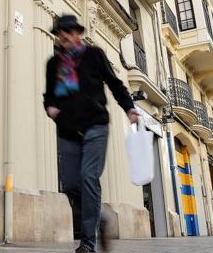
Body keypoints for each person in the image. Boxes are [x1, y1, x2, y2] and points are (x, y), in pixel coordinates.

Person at [43, 15, 140, 253]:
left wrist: (129, 107)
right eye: (59, 32)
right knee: (72, 185)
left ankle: (88, 243)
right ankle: (102, 218)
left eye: (67, 31)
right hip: (67, 130)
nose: (63, 35)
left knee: (88, 177)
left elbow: (115, 83)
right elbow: (49, 95)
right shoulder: (53, 64)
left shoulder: (94, 55)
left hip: (95, 125)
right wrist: (50, 108)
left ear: (77, 33)